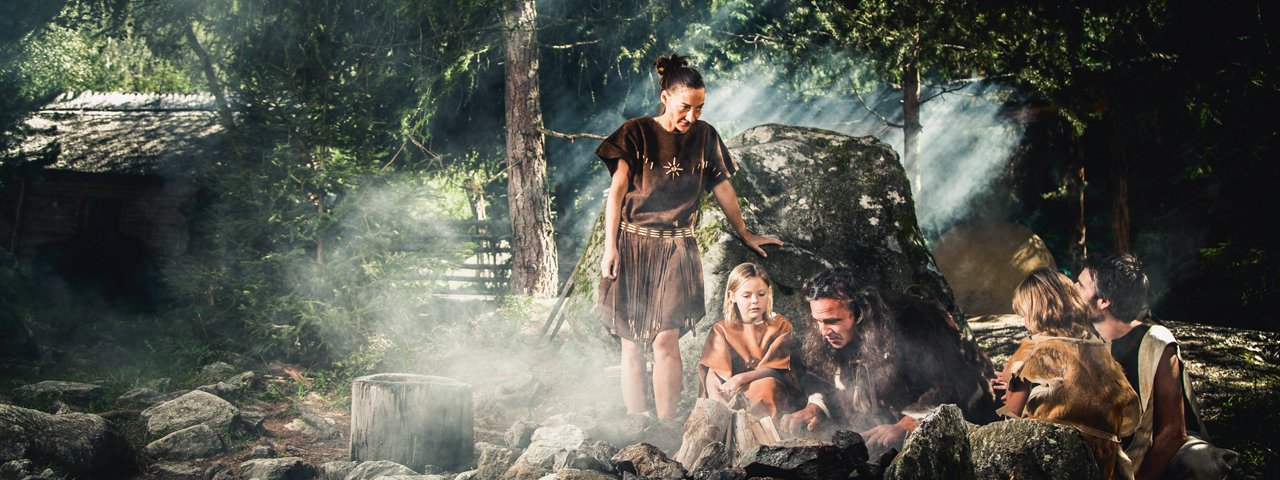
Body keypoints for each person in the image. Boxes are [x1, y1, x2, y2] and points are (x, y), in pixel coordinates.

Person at [596, 54, 783, 419]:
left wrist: (745, 233)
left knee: (666, 339)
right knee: (632, 341)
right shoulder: (635, 133)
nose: (691, 116)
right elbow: (617, 193)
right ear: (665, 97)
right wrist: (610, 248)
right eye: (685, 107)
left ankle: (665, 426)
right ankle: (639, 423)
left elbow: (722, 187)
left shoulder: (705, 136)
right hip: (632, 245)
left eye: (699, 108)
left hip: (677, 246)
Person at [779, 267, 997, 451]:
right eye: (818, 321)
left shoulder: (914, 324)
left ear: (861, 312)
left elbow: (950, 382)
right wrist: (815, 407)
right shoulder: (828, 336)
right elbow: (825, 379)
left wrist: (906, 425)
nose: (823, 331)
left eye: (832, 321)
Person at [1077, 253, 1237, 480]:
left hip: (1158, 452)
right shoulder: (1083, 337)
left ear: (1104, 301)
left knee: (1200, 462)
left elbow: (1173, 432)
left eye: (1080, 285)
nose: (1072, 289)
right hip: (1109, 448)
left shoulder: (1156, 341)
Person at [999, 267, 1140, 480]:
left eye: (1024, 314)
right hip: (1103, 462)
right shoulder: (1097, 347)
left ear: (1036, 312)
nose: (1024, 322)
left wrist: (1010, 379)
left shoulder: (1032, 349)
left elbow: (1012, 418)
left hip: (1053, 460)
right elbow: (1130, 415)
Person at [697, 263, 795, 419]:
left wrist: (741, 378)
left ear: (769, 293)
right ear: (733, 296)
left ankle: (764, 437)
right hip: (731, 393)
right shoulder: (721, 329)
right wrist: (719, 402)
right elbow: (713, 374)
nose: (755, 300)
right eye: (747, 295)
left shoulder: (781, 326)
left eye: (761, 294)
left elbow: (777, 369)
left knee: (768, 386)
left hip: (762, 390)